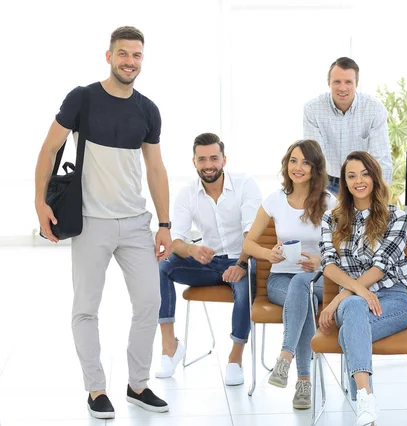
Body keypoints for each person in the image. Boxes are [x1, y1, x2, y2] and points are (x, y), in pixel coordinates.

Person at [34, 26, 171, 419]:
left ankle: (137, 384)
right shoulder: (83, 99)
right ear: (108, 56)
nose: (130, 61)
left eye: (137, 55)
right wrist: (39, 203)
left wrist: (164, 224)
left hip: (134, 222)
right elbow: (49, 149)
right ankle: (96, 389)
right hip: (91, 221)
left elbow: (156, 168)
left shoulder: (148, 109)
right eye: (123, 54)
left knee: (149, 301)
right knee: (86, 307)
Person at [156, 133, 261, 385]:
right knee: (161, 267)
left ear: (224, 159)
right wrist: (192, 251)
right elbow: (176, 240)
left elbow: (252, 232)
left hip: (242, 258)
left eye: (214, 158)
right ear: (194, 162)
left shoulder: (245, 184)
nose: (208, 165)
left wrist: (241, 263)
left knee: (245, 291)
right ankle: (170, 347)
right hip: (208, 263)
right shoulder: (187, 194)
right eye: (202, 159)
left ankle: (235, 359)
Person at [319, 151, 407, 426]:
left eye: (364, 174)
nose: (358, 180)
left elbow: (381, 266)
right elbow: (328, 264)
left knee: (351, 321)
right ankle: (366, 397)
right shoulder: (331, 218)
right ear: (345, 183)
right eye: (351, 176)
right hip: (352, 304)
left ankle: (364, 404)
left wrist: (340, 298)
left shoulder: (397, 217)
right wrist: (357, 293)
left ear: (374, 177)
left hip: (392, 300)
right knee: (354, 307)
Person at [243, 139, 335, 409]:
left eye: (305, 162)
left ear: (315, 167)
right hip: (280, 279)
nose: (298, 167)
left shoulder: (329, 202)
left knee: (304, 287)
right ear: (287, 165)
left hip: (321, 280)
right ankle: (303, 382)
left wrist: (320, 260)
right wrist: (266, 254)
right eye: (293, 161)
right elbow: (248, 243)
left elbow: (346, 248)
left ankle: (285, 357)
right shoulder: (275, 200)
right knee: (301, 291)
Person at [303, 57, 393, 194]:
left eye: (348, 82)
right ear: (329, 83)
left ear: (356, 83)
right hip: (326, 182)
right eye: (337, 82)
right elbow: (314, 157)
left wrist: (381, 197)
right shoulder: (313, 109)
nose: (342, 88)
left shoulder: (374, 109)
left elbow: (381, 158)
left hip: (361, 183)